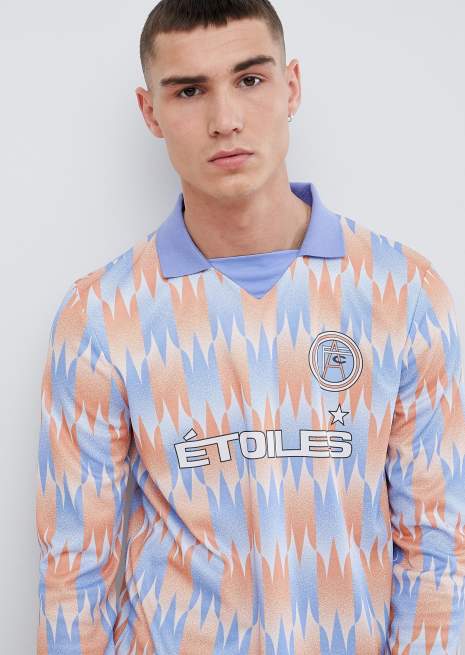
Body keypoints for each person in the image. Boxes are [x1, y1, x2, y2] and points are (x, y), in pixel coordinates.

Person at [35, 1, 465, 653]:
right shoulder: (99, 315)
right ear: (150, 112)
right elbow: (73, 573)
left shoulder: (402, 292)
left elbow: (437, 548)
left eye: (250, 79)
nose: (225, 119)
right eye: (189, 91)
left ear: (291, 87)